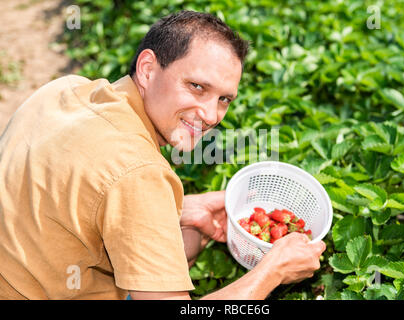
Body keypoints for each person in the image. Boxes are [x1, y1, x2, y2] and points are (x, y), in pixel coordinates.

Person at [0, 10, 325, 300]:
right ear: (147, 69)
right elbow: (126, 177)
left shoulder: (65, 89)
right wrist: (271, 272)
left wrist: (173, 210)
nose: (212, 115)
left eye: (225, 98)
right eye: (197, 86)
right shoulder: (138, 171)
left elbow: (75, 192)